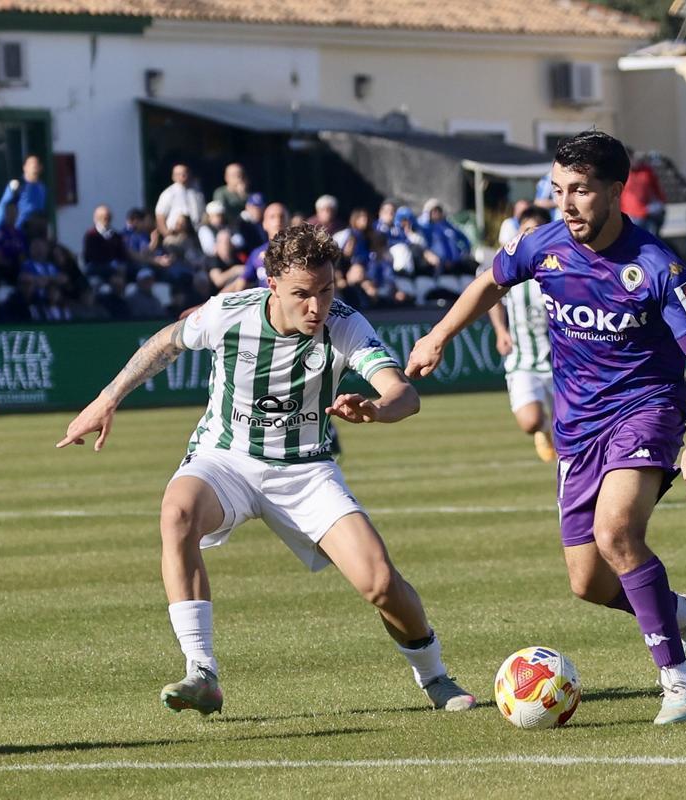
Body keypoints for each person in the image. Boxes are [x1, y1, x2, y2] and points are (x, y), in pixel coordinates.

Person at [57, 223, 476, 717]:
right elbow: (166, 342)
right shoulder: (228, 314)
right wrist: (106, 401)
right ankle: (202, 672)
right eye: (302, 294)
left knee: (379, 583)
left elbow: (403, 392)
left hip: (305, 471)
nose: (316, 307)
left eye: (325, 290)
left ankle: (434, 676)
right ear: (271, 283)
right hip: (226, 459)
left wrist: (379, 408)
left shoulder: (344, 323)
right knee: (177, 513)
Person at [407, 130, 686, 725]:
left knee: (617, 532)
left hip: (646, 410)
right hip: (577, 427)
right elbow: (488, 282)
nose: (567, 203)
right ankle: (679, 613)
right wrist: (437, 336)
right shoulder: (542, 245)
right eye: (558, 191)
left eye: (580, 191)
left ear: (614, 190)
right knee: (587, 582)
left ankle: (679, 684)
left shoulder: (658, 266)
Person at [486, 205, 556, 462]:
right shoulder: (510, 265)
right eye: (525, 230)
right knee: (530, 421)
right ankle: (543, 429)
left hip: (563, 364)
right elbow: (490, 295)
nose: (530, 235)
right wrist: (500, 330)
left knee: (572, 434)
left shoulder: (563, 265)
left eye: (535, 230)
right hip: (523, 360)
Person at [0, 155, 47, 230]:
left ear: (41, 167)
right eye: (31, 163)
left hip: (36, 230)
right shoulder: (17, 185)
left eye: (36, 163)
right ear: (24, 167)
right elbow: (3, 206)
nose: (34, 166)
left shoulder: (42, 187)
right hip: (20, 230)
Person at [155, 164, 205, 239]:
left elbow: (203, 213)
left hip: (196, 234)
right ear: (173, 177)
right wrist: (166, 234)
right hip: (176, 235)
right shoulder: (168, 193)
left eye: (185, 173)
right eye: (178, 174)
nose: (183, 175)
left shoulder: (197, 192)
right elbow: (160, 216)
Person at [0, 202, 27, 286]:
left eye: (14, 213)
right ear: (5, 214)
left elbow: (22, 256)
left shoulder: (20, 235)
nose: (12, 216)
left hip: (16, 271)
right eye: (9, 213)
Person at [621, 153, 666, 235]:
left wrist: (661, 202)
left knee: (650, 238)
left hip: (646, 213)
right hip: (631, 215)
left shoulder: (647, 171)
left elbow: (657, 189)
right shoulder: (623, 174)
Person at [83, 205, 129, 281]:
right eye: (103, 218)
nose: (106, 220)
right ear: (96, 219)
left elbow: (121, 254)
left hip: (114, 266)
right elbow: (91, 257)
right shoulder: (91, 235)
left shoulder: (115, 235)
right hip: (96, 267)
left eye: (108, 218)